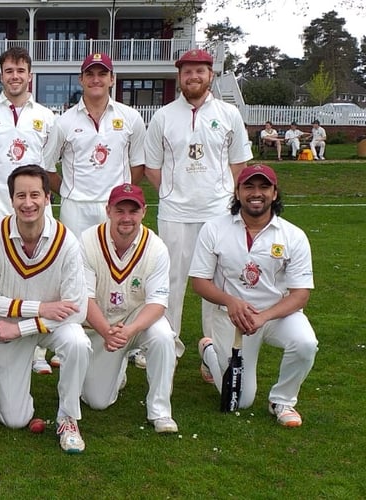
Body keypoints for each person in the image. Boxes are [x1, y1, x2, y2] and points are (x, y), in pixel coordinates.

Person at [144, 48, 252, 360]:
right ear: (179, 76)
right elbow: (152, 167)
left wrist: (224, 198)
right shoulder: (163, 116)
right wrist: (171, 194)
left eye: (199, 71)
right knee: (170, 283)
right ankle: (167, 347)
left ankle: (216, 352)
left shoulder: (228, 114)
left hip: (218, 215)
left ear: (211, 75)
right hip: (175, 215)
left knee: (218, 285)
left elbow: (239, 164)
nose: (193, 76)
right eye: (187, 71)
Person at [189, 164, 317, 427]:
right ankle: (209, 350)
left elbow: (301, 294)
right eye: (249, 187)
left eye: (263, 187)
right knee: (241, 400)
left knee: (305, 343)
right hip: (232, 318)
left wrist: (265, 316)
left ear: (274, 192)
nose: (256, 193)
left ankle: (282, 400)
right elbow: (199, 282)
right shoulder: (214, 229)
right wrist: (231, 302)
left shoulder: (293, 235)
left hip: (276, 315)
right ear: (237, 192)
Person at [0, 165, 91, 454]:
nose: (28, 203)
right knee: (15, 420)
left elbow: (76, 310)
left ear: (48, 198)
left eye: (35, 195)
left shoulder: (67, 241)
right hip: (6, 329)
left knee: (78, 341)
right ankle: (14, 385)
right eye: (21, 196)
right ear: (11, 199)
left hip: (32, 326)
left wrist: (23, 326)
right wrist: (41, 308)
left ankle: (68, 418)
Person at [0, 46, 57, 375]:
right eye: (9, 71)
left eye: (21, 71)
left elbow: (47, 166)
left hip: (35, 210)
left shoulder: (46, 117)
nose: (15, 76)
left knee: (35, 282)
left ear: (29, 75)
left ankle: (35, 350)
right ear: (1, 75)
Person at [79, 183, 178, 433]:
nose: (126, 218)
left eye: (132, 212)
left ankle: (160, 412)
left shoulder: (156, 247)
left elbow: (158, 303)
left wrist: (129, 330)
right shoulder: (88, 241)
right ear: (108, 210)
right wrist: (107, 332)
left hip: (137, 320)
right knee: (96, 401)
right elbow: (85, 298)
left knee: (164, 335)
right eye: (120, 210)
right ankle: (117, 367)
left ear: (143, 212)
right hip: (99, 326)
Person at [44, 52, 146, 238]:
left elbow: (139, 164)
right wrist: (70, 191)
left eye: (102, 74)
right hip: (75, 208)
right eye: (90, 74)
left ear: (112, 79)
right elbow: (47, 168)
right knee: (76, 264)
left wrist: (122, 193)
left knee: (116, 262)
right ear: (81, 79)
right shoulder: (63, 122)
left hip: (116, 206)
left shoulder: (131, 118)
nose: (96, 80)